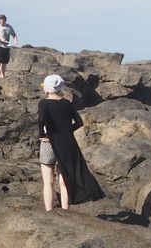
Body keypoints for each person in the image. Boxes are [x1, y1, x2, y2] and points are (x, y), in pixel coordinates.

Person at [37, 74, 104, 210]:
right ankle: (66, 210)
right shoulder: (67, 103)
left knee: (48, 182)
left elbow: (40, 120)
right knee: (65, 180)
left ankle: (49, 211)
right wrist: (67, 131)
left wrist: (42, 135)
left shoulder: (44, 103)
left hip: (48, 143)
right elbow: (79, 122)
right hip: (66, 145)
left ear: (47, 89)